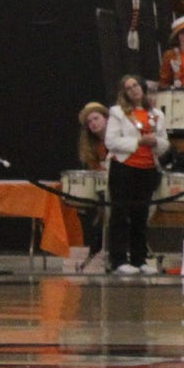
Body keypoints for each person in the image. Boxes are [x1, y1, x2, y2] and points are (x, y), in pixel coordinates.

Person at [104, 75, 168, 274]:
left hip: (147, 168)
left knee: (141, 216)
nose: (133, 89)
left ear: (143, 87)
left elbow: (165, 142)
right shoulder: (118, 113)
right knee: (120, 214)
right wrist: (138, 143)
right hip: (124, 167)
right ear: (124, 92)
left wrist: (155, 143)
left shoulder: (156, 114)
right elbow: (111, 142)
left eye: (136, 85)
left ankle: (139, 259)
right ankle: (119, 260)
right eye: (128, 87)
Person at [75, 101, 110, 255]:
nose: (93, 124)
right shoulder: (92, 146)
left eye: (96, 118)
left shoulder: (117, 138)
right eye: (89, 122)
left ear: (106, 118)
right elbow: (94, 169)